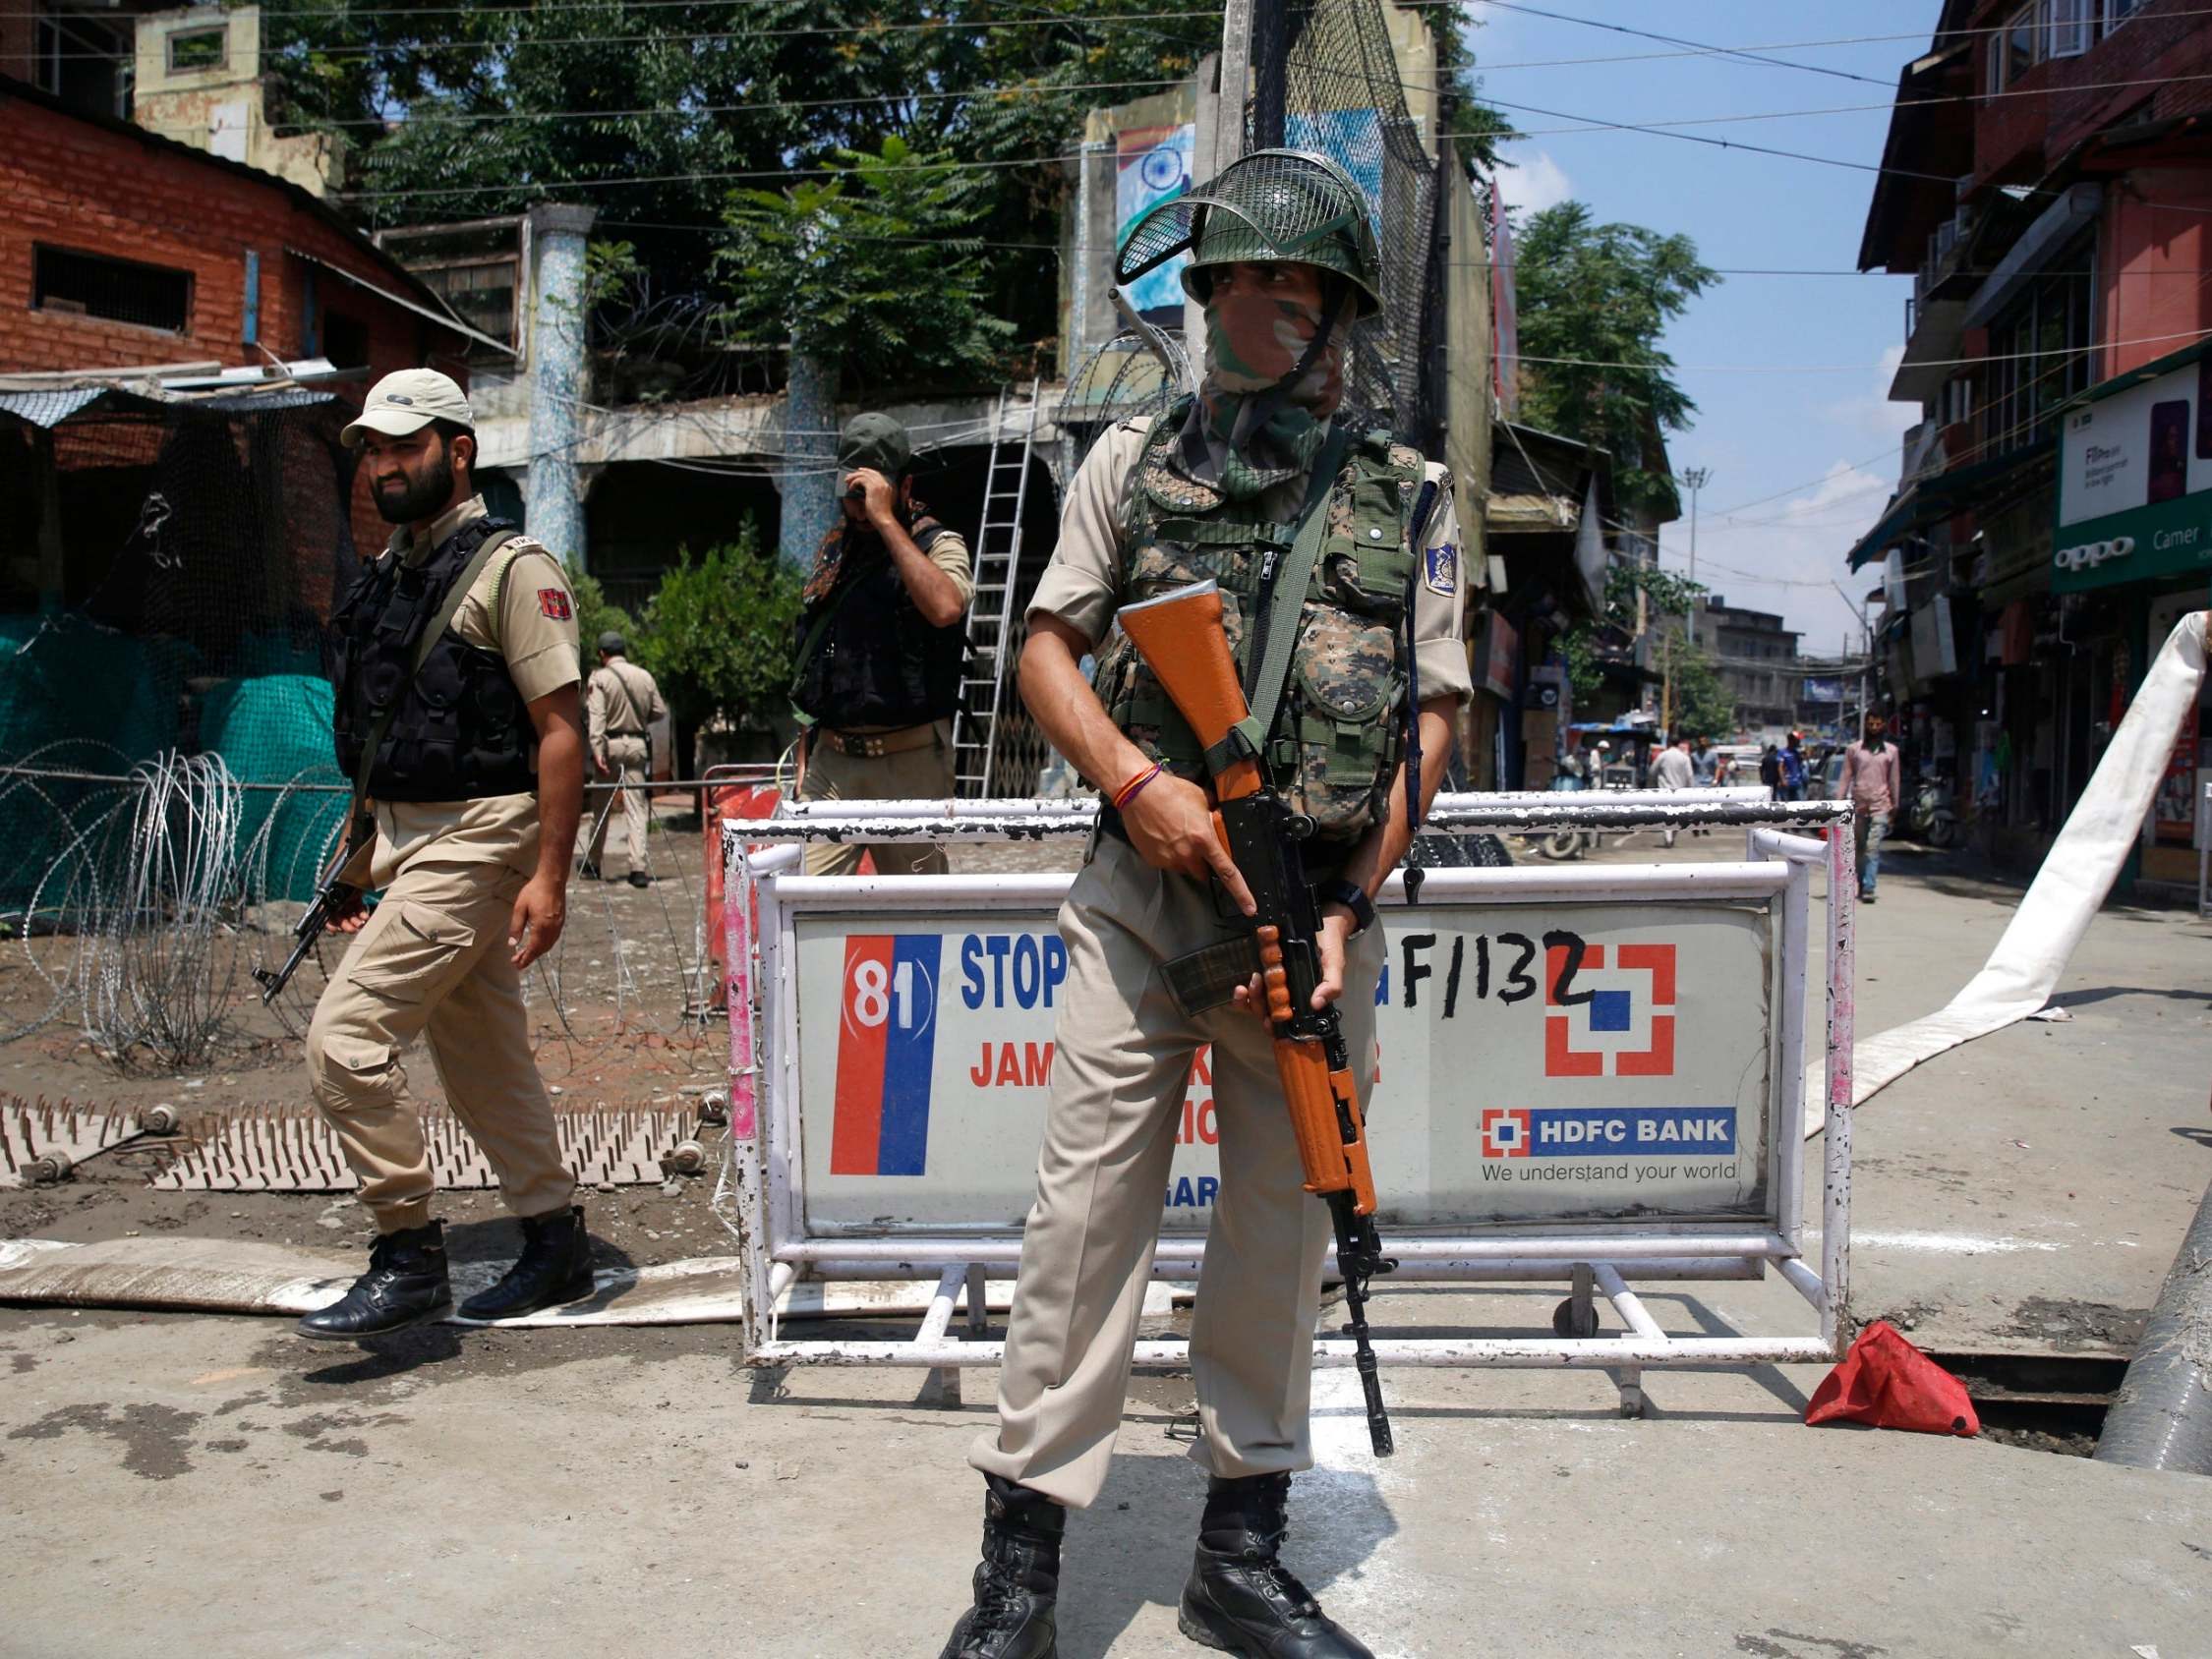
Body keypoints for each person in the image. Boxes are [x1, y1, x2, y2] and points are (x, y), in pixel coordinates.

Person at [938, 148, 1468, 1659]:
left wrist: (1352, 907)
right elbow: (1045, 644)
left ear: (1338, 311)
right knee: (1083, 1223)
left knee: (1277, 1234)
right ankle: (1020, 1569)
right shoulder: (1127, 461)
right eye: (1230, 280)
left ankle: (1240, 1551)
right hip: (1141, 898)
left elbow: (1434, 718)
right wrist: (1133, 783)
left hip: (1308, 924)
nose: (1252, 308)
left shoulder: (1409, 494)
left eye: (1285, 284)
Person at [301, 369, 592, 1340]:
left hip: (481, 837)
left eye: (404, 447)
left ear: (457, 450)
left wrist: (550, 877)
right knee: (482, 1057)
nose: (384, 467)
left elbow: (561, 730)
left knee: (345, 1041)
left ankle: (407, 1251)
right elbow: (382, 735)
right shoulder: (389, 574)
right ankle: (556, 1239)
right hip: (407, 838)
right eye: (374, 453)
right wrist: (357, 857)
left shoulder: (515, 569)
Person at [789, 412, 974, 876]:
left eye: (868, 493)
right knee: (801, 905)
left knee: (918, 914)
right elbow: (812, 656)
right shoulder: (835, 549)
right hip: (831, 764)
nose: (858, 508)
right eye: (851, 494)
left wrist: (888, 522)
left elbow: (945, 608)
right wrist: (803, 756)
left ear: (903, 486)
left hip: (909, 764)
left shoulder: (937, 543)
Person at [580, 631, 668, 888]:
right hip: (638, 745)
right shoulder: (644, 676)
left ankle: (593, 862)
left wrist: (596, 749)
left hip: (610, 745)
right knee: (636, 808)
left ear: (601, 654)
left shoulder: (600, 678)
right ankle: (638, 868)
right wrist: (639, 722)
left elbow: (597, 717)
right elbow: (659, 710)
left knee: (601, 807)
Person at [1841, 711, 1903, 904]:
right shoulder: (1854, 750)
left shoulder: (1891, 752)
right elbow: (1845, 777)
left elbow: (1894, 781)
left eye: (1878, 724)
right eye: (1871, 724)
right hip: (1859, 807)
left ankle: (1869, 887)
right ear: (1866, 725)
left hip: (1880, 806)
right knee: (1859, 848)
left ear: (1883, 725)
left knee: (1872, 848)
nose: (1874, 728)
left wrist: (1895, 805)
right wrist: (1838, 802)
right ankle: (1860, 881)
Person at [1651, 733, 1695, 847]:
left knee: (1666, 815)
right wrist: (1691, 791)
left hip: (1664, 791)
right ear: (1679, 744)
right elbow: (1690, 776)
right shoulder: (1685, 758)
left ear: (1669, 743)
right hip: (1680, 792)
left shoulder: (1663, 756)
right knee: (1677, 817)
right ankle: (1671, 838)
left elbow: (1652, 771)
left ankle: (1668, 838)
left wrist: (1652, 784)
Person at [1778, 730, 1807, 802]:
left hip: (1797, 782)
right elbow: (1780, 767)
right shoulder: (1782, 752)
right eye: (1797, 740)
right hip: (1787, 782)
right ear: (1790, 740)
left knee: (1801, 805)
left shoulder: (1797, 752)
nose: (1798, 742)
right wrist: (1783, 780)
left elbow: (1802, 763)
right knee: (1786, 805)